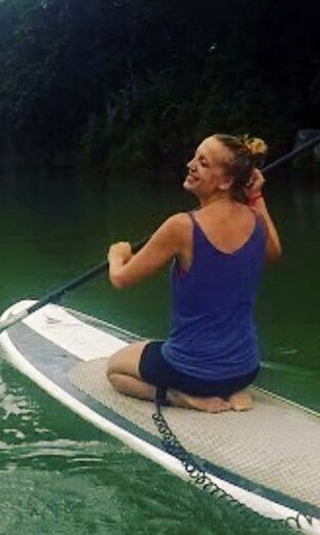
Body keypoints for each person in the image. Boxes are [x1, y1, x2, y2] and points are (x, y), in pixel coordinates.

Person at [105, 134, 281, 413]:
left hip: (192, 373)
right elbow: (273, 252)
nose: (191, 164)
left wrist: (117, 254)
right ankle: (232, 392)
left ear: (225, 181)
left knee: (115, 370)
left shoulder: (181, 227)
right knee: (155, 350)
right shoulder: (255, 218)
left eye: (203, 162)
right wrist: (256, 197)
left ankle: (181, 398)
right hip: (245, 369)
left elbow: (121, 278)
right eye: (194, 156)